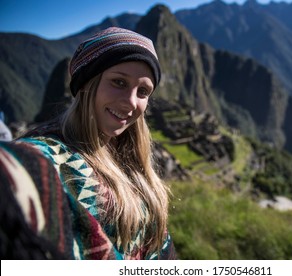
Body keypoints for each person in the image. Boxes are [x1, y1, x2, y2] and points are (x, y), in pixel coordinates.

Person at [2, 27, 176, 260]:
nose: (131, 102)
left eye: (143, 91)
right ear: (86, 83)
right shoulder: (49, 154)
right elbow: (20, 170)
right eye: (119, 82)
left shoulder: (133, 160)